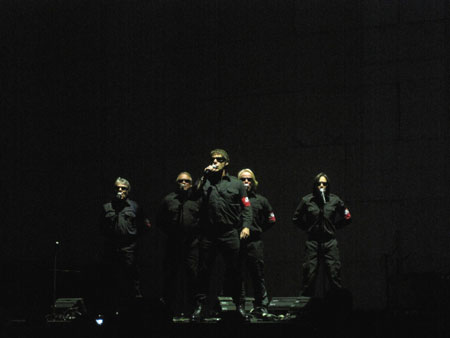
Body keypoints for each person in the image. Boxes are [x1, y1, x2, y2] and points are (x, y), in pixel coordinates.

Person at [191, 149, 253, 321]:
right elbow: (193, 195)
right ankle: (200, 306)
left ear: (226, 163)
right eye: (213, 159)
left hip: (229, 232)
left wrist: (246, 226)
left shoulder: (236, 184)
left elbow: (246, 207)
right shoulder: (205, 182)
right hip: (209, 234)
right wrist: (203, 177)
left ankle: (239, 306)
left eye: (219, 160)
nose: (215, 162)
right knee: (203, 271)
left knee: (235, 270)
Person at [292, 172, 352, 297]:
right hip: (313, 242)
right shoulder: (307, 200)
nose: (321, 186)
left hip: (329, 242)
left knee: (334, 274)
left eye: (324, 184)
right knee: (309, 276)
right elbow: (296, 218)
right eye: (319, 183)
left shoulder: (335, 200)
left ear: (328, 186)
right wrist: (308, 228)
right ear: (315, 185)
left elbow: (348, 217)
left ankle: (337, 308)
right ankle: (306, 309)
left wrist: (334, 227)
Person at [98, 177, 151, 311]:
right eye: (118, 188)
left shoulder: (135, 207)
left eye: (123, 188)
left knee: (132, 279)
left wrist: (133, 237)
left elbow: (145, 225)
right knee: (111, 278)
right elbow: (100, 227)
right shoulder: (106, 207)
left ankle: (136, 310)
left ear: (128, 191)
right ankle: (112, 309)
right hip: (111, 247)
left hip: (129, 248)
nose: (120, 190)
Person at [156, 172, 201, 318]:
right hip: (173, 243)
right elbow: (160, 221)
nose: (183, 183)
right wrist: (172, 233)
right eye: (180, 181)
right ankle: (168, 308)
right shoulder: (168, 200)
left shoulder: (197, 200)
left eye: (187, 181)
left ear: (191, 183)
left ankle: (193, 308)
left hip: (192, 244)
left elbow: (203, 220)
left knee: (192, 275)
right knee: (171, 275)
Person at [237, 168, 276, 318]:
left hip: (254, 242)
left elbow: (271, 219)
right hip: (237, 242)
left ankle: (262, 306)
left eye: (249, 179)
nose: (246, 182)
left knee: (257, 275)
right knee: (237, 275)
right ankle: (238, 306)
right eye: (243, 179)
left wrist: (257, 229)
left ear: (254, 182)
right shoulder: (234, 200)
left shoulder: (261, 200)